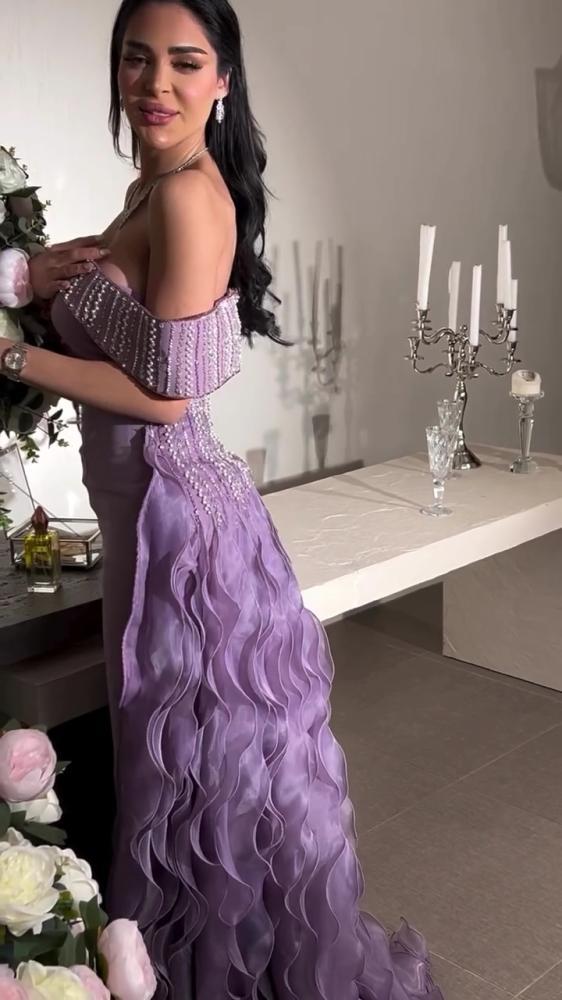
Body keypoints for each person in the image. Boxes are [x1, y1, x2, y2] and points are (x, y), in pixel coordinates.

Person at [0, 2, 444, 997]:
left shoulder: (191, 200)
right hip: (146, 508)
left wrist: (11, 354)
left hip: (176, 521)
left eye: (183, 62)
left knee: (192, 778)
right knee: (172, 768)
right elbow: (130, 334)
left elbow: (167, 396)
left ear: (222, 81)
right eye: (136, 59)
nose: (154, 83)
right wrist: (36, 278)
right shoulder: (148, 190)